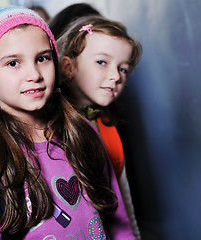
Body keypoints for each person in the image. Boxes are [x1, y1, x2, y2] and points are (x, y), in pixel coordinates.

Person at [0, 5, 134, 239]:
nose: (34, 74)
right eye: (13, 63)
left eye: (42, 58)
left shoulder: (83, 132)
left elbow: (120, 223)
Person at [57, 15, 143, 239]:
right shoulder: (51, 129)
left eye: (123, 69)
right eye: (102, 62)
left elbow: (123, 199)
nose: (115, 76)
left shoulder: (107, 128)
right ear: (68, 66)